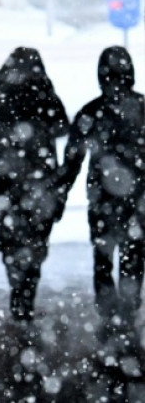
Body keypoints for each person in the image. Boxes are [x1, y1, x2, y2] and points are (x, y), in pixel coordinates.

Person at [0, 47, 69, 322]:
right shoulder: (44, 96)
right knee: (36, 236)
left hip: (3, 182)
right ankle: (27, 290)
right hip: (39, 180)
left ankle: (18, 290)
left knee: (9, 236)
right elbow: (62, 125)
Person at [57, 46, 145, 322]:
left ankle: (108, 312)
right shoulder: (142, 108)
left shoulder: (90, 113)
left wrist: (60, 191)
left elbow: (73, 159)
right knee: (133, 253)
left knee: (103, 256)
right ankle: (129, 307)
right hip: (138, 197)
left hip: (102, 197)